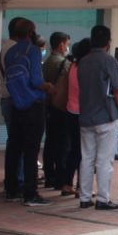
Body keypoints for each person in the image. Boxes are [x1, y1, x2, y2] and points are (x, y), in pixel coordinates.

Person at [3, 18, 54, 206]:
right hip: (33, 104)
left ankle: (11, 189)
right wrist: (48, 87)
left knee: (14, 148)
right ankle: (31, 193)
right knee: (31, 150)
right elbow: (36, 80)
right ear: (31, 32)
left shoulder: (10, 52)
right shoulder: (32, 51)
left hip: (16, 103)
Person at [77, 25, 118, 210]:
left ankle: (84, 197)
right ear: (108, 42)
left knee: (87, 158)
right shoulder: (109, 60)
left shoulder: (83, 61)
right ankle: (103, 199)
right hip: (105, 115)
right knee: (105, 160)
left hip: (85, 116)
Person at [61, 38, 91, 196]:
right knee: (85, 152)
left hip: (70, 111)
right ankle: (81, 186)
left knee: (74, 150)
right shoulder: (86, 68)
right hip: (83, 113)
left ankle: (67, 183)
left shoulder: (73, 66)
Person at [42, 31, 71, 189]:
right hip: (61, 106)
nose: (67, 47)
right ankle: (60, 178)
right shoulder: (64, 63)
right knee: (63, 144)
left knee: (50, 141)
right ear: (61, 45)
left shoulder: (46, 62)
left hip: (47, 106)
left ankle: (49, 175)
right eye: (67, 44)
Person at [0, 17, 25, 193]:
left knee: (14, 141)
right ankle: (17, 180)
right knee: (18, 142)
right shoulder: (14, 49)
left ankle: (14, 179)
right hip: (14, 99)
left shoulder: (5, 47)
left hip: (8, 97)